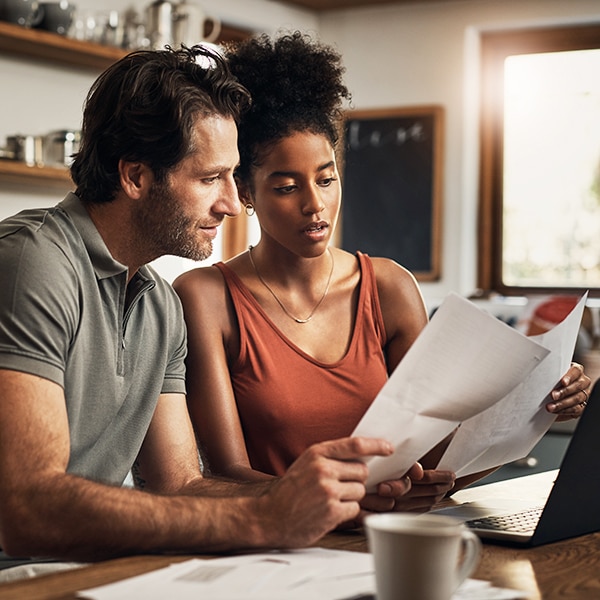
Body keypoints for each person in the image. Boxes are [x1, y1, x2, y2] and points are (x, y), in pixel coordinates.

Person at [0, 45, 398, 568]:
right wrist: (262, 518)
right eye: (211, 178)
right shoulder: (34, 262)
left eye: (233, 177)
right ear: (136, 176)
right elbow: (28, 512)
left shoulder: (160, 305)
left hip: (80, 572)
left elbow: (179, 485)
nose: (233, 203)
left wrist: (305, 495)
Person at [173, 32, 592, 518]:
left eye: (327, 179)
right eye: (286, 187)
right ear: (244, 190)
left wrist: (538, 405)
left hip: (391, 542)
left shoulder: (389, 287)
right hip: (276, 551)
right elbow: (226, 476)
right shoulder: (207, 297)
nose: (316, 205)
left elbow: (438, 459)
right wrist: (350, 501)